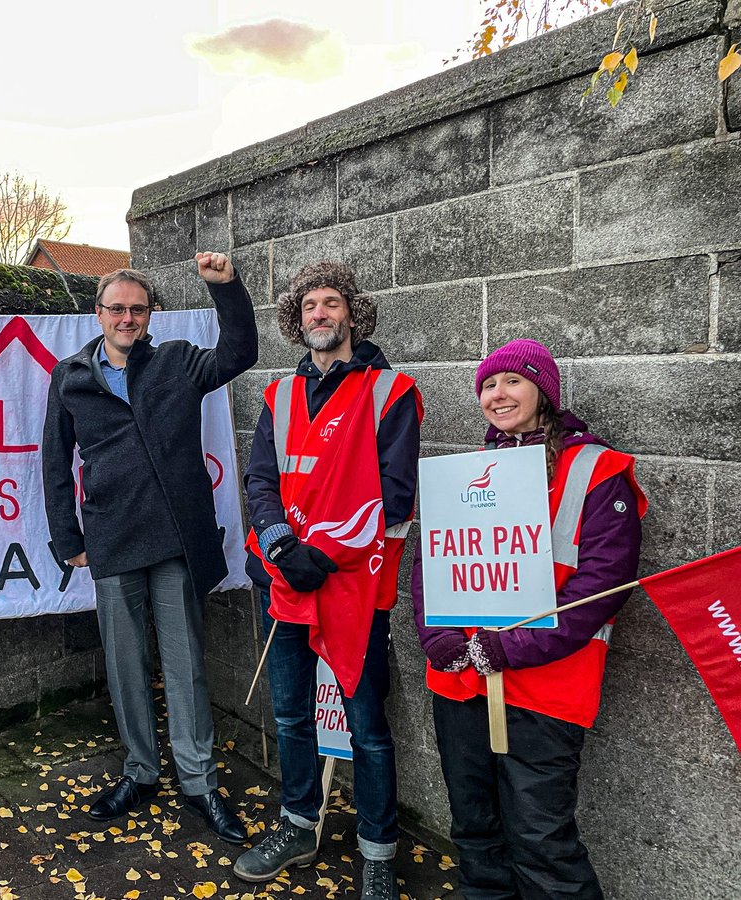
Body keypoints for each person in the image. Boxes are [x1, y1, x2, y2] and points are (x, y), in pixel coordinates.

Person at [412, 338, 645, 899]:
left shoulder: (597, 468)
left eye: (512, 381)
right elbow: (431, 562)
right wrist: (436, 636)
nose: (498, 393)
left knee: (541, 838)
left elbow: (602, 587)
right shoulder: (469, 472)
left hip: (545, 688)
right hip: (462, 680)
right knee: (474, 829)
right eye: (489, 384)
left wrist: (511, 647)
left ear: (544, 390)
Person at [42, 256, 257, 844]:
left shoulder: (179, 361)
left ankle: (200, 782)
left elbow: (240, 353)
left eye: (138, 308)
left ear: (149, 314)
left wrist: (226, 288)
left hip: (175, 537)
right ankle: (140, 772)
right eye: (118, 308)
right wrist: (69, 541)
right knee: (126, 666)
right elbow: (54, 464)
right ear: (99, 313)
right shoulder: (70, 376)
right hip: (111, 540)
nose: (128, 317)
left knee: (185, 665)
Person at [234, 262, 421, 899]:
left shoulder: (391, 391)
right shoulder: (278, 397)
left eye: (331, 302)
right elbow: (261, 480)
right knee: (291, 718)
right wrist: (286, 548)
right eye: (309, 304)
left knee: (367, 727)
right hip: (288, 579)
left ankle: (378, 852)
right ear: (297, 319)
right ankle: (298, 826)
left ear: (352, 312)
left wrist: (325, 555)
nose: (320, 313)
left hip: (353, 585)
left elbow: (393, 496)